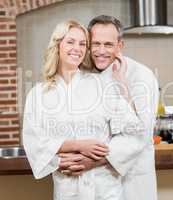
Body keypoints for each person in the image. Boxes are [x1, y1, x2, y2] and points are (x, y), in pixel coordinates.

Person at [22, 20, 145, 200]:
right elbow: (34, 141)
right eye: (70, 41)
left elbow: (134, 132)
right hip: (68, 189)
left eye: (82, 44)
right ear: (58, 45)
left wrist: (94, 161)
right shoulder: (38, 94)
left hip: (105, 189)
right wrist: (73, 149)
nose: (77, 48)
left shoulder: (102, 86)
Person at [59, 15, 159, 200]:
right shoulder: (86, 73)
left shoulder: (141, 76)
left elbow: (141, 133)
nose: (101, 51)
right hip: (98, 182)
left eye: (108, 44)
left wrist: (93, 161)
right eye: (96, 44)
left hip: (132, 176)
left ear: (120, 46)